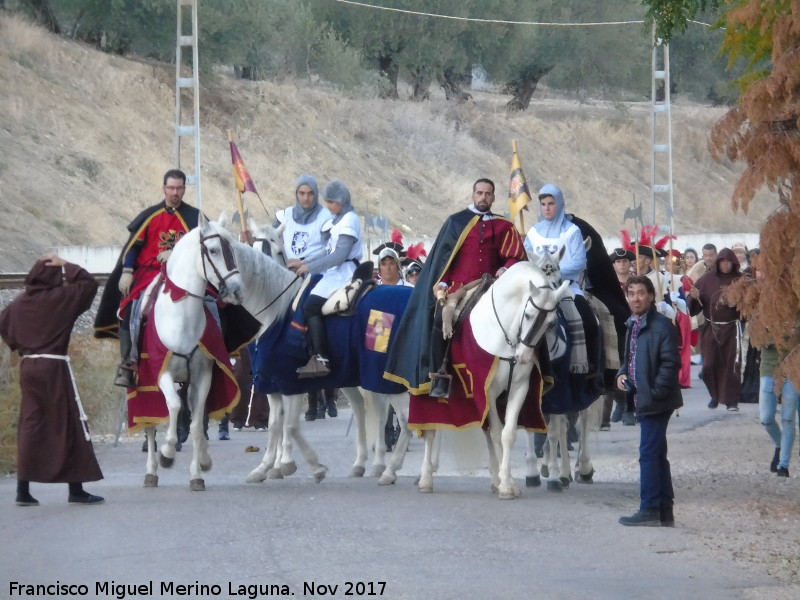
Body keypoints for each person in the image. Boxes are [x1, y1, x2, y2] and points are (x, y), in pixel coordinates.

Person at [384, 178, 526, 395]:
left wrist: (505, 269)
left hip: (489, 285)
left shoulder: (504, 226)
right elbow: (445, 258)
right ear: (473, 195)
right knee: (441, 319)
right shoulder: (456, 222)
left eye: (488, 194)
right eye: (479, 193)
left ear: (493, 197)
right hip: (458, 287)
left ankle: (517, 371)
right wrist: (442, 281)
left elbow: (515, 256)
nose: (483, 197)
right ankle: (439, 376)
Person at [0, 254, 105, 506]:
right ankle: (76, 490)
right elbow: (89, 284)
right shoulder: (62, 299)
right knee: (67, 423)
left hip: (29, 367)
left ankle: (22, 492)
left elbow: (3, 324)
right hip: (54, 367)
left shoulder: (18, 304)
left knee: (31, 425)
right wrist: (66, 265)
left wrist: (19, 344)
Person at [94, 169, 200, 387]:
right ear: (164, 189)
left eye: (179, 188)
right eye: (171, 188)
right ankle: (128, 364)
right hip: (150, 273)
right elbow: (133, 247)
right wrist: (127, 271)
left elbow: (204, 247)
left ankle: (214, 357)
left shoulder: (195, 218)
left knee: (211, 304)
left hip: (182, 274)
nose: (175, 192)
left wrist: (177, 252)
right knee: (131, 306)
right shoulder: (150, 215)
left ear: (184, 189)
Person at [616, 275, 683, 526]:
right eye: (631, 293)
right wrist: (622, 373)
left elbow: (670, 363)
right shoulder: (632, 323)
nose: (635, 298)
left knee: (648, 454)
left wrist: (654, 392)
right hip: (642, 396)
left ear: (651, 296)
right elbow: (631, 357)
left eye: (641, 293)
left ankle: (649, 509)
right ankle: (664, 510)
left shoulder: (662, 326)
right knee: (656, 453)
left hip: (656, 400)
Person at [292, 180, 363, 378]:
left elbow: (339, 255)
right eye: (328, 202)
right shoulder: (336, 220)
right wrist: (302, 261)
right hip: (334, 271)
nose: (329, 206)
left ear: (341, 201)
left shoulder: (350, 220)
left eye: (332, 202)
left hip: (345, 271)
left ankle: (322, 358)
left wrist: (310, 267)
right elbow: (326, 250)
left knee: (311, 306)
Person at [687, 248, 743, 410]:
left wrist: (738, 305)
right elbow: (695, 303)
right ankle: (715, 394)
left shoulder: (740, 280)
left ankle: (731, 400)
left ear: (733, 263)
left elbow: (750, 305)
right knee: (709, 364)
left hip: (732, 328)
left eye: (728, 261)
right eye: (722, 261)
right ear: (718, 263)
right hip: (711, 328)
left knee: (731, 364)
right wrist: (694, 296)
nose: (725, 265)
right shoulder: (707, 279)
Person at [606, 248, 636, 428]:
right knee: (616, 368)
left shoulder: (637, 282)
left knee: (633, 369)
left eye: (625, 261)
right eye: (618, 261)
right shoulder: (609, 284)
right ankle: (621, 401)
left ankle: (630, 408)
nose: (622, 264)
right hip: (615, 329)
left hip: (635, 328)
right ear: (613, 265)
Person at [273, 174, 331, 262]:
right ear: (296, 194)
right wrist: (252, 240)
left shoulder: (326, 218)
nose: (306, 198)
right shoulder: (285, 215)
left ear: (315, 194)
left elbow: (329, 250)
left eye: (310, 193)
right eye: (302, 193)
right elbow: (270, 243)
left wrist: (303, 261)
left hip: (315, 271)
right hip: (286, 270)